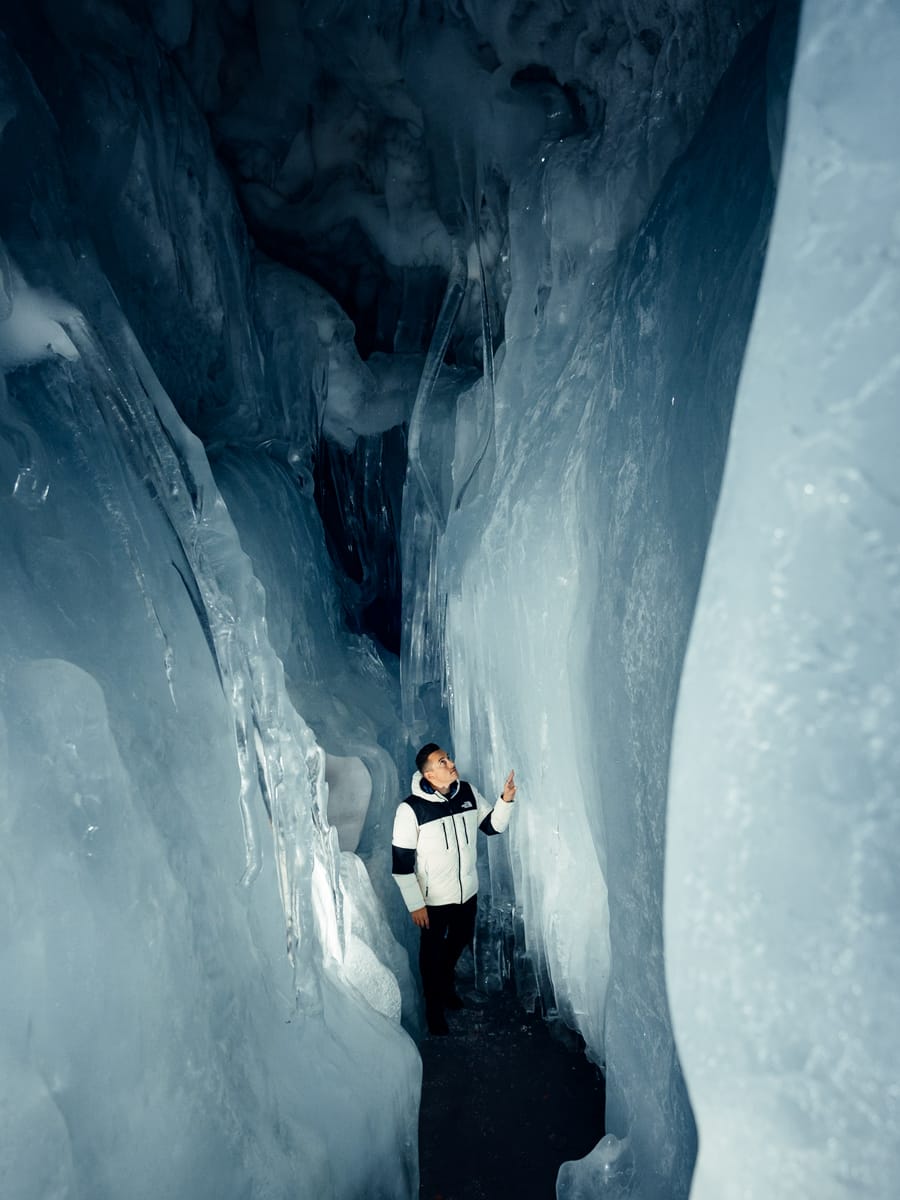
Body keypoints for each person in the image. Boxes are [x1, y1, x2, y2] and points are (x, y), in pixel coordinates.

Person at [391, 742, 516, 1035]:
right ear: (430, 775)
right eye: (442, 762)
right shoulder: (411, 809)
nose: (450, 764)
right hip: (433, 900)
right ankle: (434, 1007)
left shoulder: (468, 793)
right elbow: (400, 864)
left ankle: (445, 985)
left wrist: (505, 800)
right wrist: (415, 904)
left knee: (459, 940)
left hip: (466, 893)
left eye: (448, 758)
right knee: (431, 954)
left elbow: (491, 826)